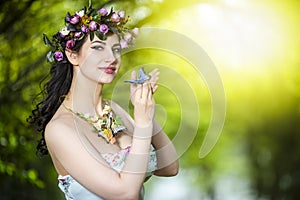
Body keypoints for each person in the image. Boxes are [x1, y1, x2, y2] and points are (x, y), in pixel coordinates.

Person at [28, 3, 178, 200]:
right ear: (73, 55)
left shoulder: (113, 110)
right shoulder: (60, 128)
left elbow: (169, 167)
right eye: (98, 48)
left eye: (116, 49)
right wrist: (142, 124)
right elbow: (125, 194)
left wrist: (146, 112)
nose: (112, 58)